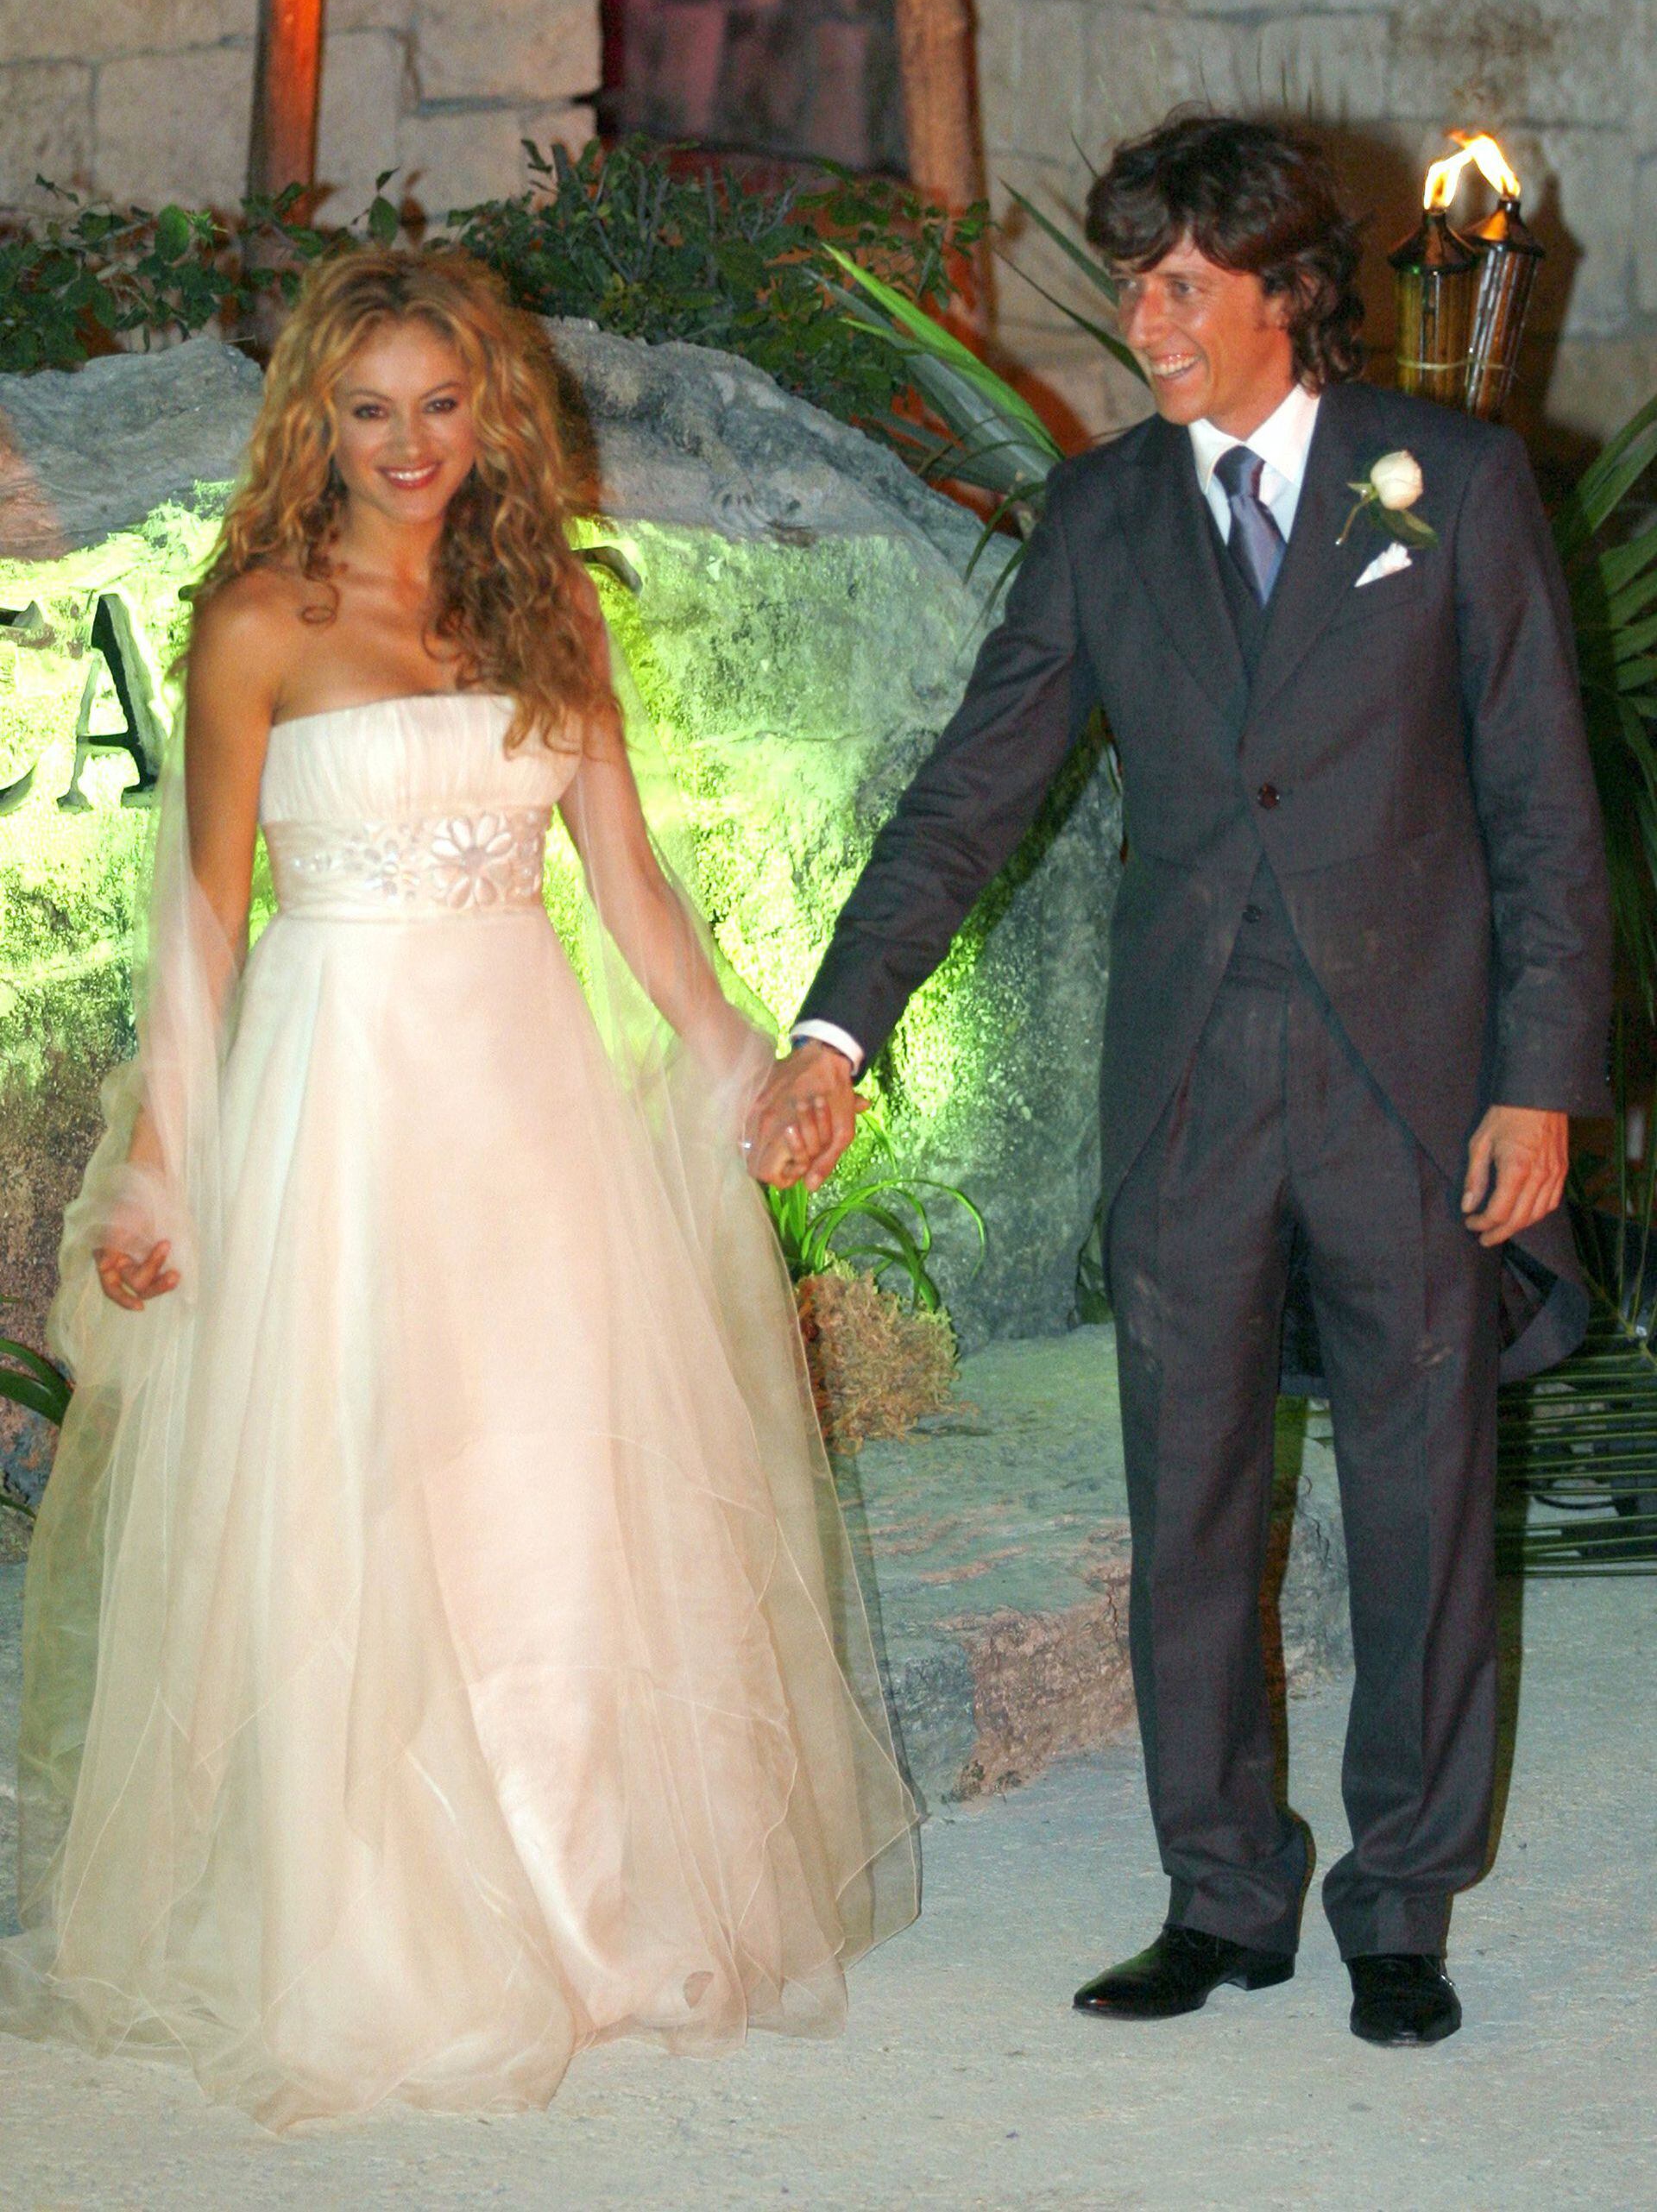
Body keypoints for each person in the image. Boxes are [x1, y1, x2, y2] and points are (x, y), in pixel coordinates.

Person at [0, 249, 916, 2129]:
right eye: (371, 409)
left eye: (443, 403)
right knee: (353, 1480)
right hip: (338, 1098)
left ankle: (583, 1913)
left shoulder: (553, 610)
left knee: (538, 1483)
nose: (412, 444)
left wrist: (744, 1060)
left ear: (490, 411)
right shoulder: (255, 618)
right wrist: (165, 1151)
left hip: (520, 1093)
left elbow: (634, 887)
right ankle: (374, 1936)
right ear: (314, 426)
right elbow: (199, 916)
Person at [752, 112, 1611, 2047]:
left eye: (1175, 283)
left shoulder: (1446, 482)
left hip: (1416, 1085)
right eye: (1131, 277)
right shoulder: (1103, 515)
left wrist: (1539, 1081)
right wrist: (835, 1028)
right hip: (1189, 1090)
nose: (1139, 317)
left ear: (1283, 293)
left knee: (1420, 1495)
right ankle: (1221, 1887)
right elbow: (971, 795)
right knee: (1191, 1500)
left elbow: (1546, 809)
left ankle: (1403, 1898)